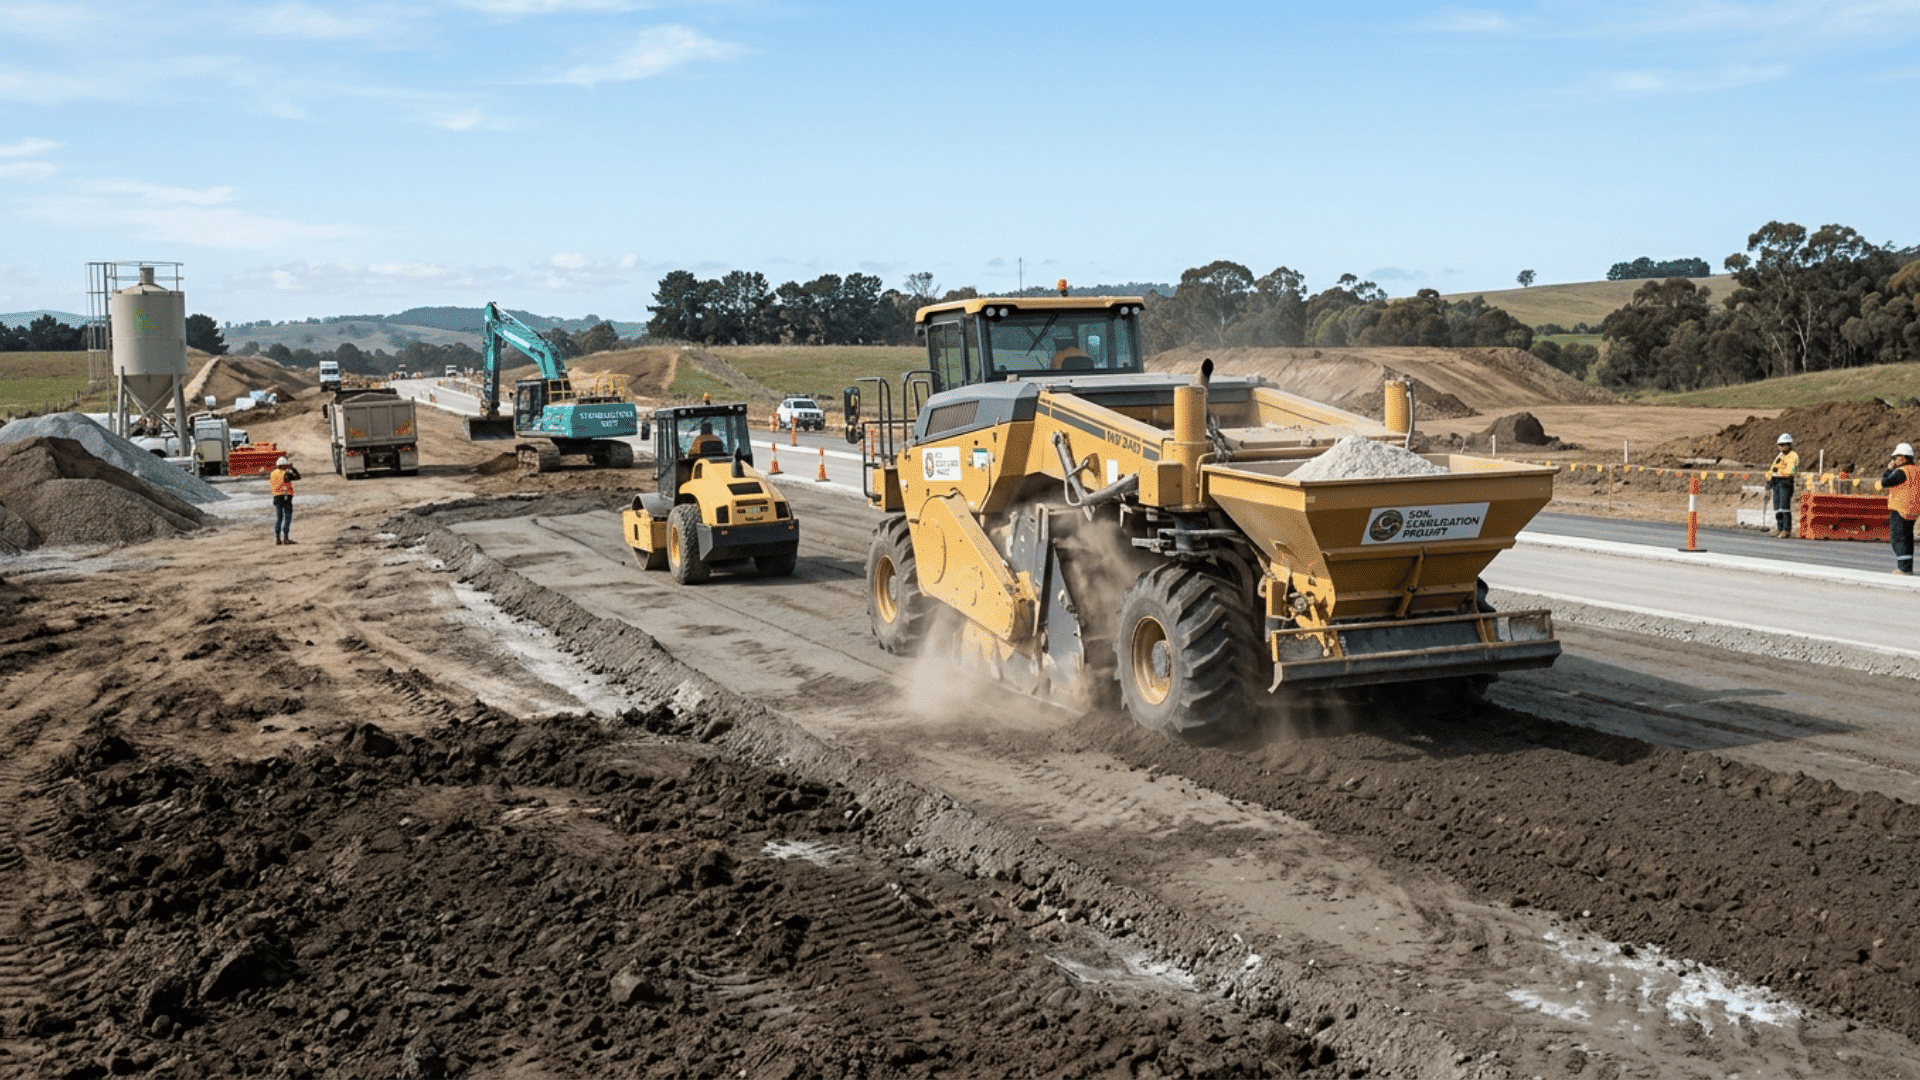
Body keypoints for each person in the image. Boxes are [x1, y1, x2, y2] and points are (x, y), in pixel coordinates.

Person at [1881, 443, 1920, 575]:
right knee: (1907, 538)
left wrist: (1889, 470)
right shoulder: (1917, 470)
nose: (1894, 460)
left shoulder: (1902, 472)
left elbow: (1885, 482)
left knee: (1899, 538)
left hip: (1900, 509)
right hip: (1913, 510)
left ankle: (1904, 568)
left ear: (1903, 457)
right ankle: (1907, 567)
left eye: (1896, 457)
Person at [1766, 433, 1798, 537]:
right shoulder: (1780, 456)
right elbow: (1773, 468)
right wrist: (1769, 476)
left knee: (1784, 507)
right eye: (1780, 445)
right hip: (1776, 482)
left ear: (1789, 445)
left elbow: (1790, 470)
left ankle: (1786, 529)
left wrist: (1778, 472)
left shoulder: (1793, 456)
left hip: (1785, 482)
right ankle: (1779, 528)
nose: (1781, 447)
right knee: (1777, 507)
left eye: (1783, 445)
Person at [269, 455, 302, 545]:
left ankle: (278, 539)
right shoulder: (285, 474)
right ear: (284, 465)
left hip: (276, 497)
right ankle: (286, 538)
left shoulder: (272, 473)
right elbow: (298, 477)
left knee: (279, 518)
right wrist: (292, 468)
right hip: (286, 497)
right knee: (287, 517)